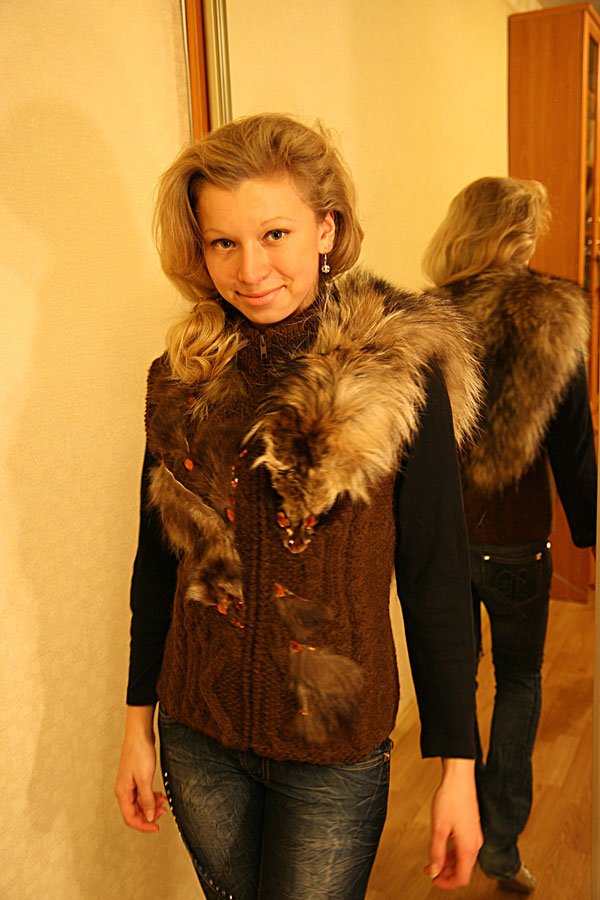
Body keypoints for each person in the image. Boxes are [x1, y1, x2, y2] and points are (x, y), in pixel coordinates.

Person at [114, 112, 483, 900]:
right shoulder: (181, 378)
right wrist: (137, 722)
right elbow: (158, 564)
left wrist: (459, 769)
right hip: (196, 731)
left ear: (326, 229)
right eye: (223, 242)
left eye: (274, 234)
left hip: (333, 753)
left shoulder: (396, 380)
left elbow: (437, 579)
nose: (250, 269)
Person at [422, 176, 597, 895]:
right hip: (520, 540)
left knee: (454, 677)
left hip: (441, 540)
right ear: (515, 236)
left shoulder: (427, 317)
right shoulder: (554, 313)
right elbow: (574, 443)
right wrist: (589, 530)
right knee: (518, 681)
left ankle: (452, 816)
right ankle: (499, 844)